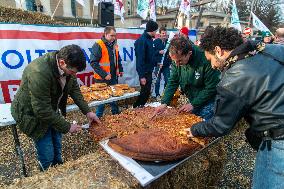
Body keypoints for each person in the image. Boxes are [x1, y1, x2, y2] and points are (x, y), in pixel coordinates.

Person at [186, 26, 284, 188]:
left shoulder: (233, 78)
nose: (212, 66)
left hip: (278, 143)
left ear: (218, 50)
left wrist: (194, 130)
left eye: (210, 59)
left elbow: (220, 125)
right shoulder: (274, 49)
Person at [11, 45, 100, 171]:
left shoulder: (67, 65)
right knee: (47, 153)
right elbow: (41, 110)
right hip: (32, 114)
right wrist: (67, 127)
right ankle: (47, 174)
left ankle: (58, 169)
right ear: (62, 62)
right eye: (73, 72)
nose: (74, 75)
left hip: (50, 110)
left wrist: (88, 112)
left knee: (57, 147)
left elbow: (74, 89)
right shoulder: (39, 72)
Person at [153, 37, 220, 120]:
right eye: (174, 61)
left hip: (209, 99)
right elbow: (173, 81)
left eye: (180, 61)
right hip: (193, 97)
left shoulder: (205, 58)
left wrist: (193, 104)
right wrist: (164, 102)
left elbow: (211, 87)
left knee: (203, 122)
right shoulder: (176, 58)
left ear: (189, 53)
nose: (176, 64)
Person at [90, 26, 123, 117]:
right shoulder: (98, 45)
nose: (114, 38)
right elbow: (93, 63)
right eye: (112, 35)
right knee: (102, 101)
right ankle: (97, 118)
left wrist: (120, 69)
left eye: (115, 36)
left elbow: (118, 58)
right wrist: (105, 75)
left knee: (114, 97)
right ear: (105, 34)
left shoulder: (114, 44)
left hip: (113, 77)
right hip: (101, 79)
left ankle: (116, 115)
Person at [133, 20, 158, 108]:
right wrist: (142, 76)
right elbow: (140, 59)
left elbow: (150, 55)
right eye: (155, 30)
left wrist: (156, 63)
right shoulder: (142, 41)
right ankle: (136, 107)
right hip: (144, 72)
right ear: (151, 30)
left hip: (149, 70)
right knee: (145, 92)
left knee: (147, 92)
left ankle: (140, 107)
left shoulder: (150, 39)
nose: (156, 32)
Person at [153, 26, 172, 99]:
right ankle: (157, 95)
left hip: (166, 65)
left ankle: (164, 94)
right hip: (158, 65)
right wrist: (158, 51)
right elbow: (152, 53)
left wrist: (169, 62)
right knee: (157, 81)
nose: (164, 35)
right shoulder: (156, 42)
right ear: (160, 34)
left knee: (168, 80)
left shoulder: (168, 42)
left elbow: (171, 53)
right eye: (163, 33)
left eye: (165, 33)